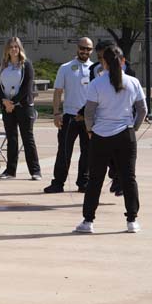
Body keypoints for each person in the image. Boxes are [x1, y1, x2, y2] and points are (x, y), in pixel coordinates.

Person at [74, 45, 147, 234]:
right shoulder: (133, 82)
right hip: (125, 133)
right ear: (123, 61)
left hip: (101, 135)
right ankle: (132, 220)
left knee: (95, 179)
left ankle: (88, 221)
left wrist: (90, 130)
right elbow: (143, 110)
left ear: (103, 62)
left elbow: (89, 112)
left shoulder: (97, 83)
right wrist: (134, 127)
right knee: (129, 178)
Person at [44, 37, 93, 194]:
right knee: (64, 151)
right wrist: (56, 113)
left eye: (88, 49)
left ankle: (83, 183)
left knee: (88, 152)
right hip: (70, 116)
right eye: (82, 48)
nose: (85, 51)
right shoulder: (65, 68)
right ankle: (58, 183)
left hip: (88, 118)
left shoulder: (95, 69)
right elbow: (58, 91)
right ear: (77, 48)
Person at [0, 37, 41, 181]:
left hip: (23, 107)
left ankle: (35, 171)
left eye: (16, 46)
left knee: (28, 139)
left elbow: (27, 88)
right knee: (12, 139)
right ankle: (10, 171)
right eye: (11, 47)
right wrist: (5, 101)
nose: (14, 49)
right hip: (7, 108)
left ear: (20, 48)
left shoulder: (26, 65)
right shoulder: (3, 65)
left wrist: (13, 102)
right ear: (7, 50)